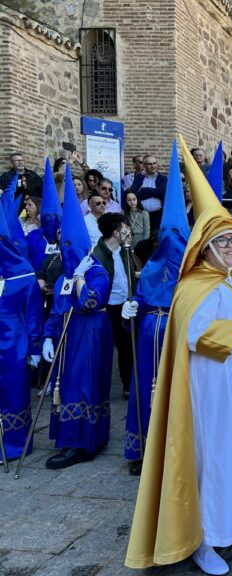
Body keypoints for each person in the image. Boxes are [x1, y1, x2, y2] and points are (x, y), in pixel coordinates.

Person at [125, 140, 232, 575]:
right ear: (206, 246)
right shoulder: (195, 286)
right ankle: (207, 538)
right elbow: (196, 334)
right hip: (212, 391)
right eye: (223, 240)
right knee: (216, 459)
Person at [120, 142, 190, 475]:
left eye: (179, 235)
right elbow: (143, 299)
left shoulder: (194, 271)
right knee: (145, 387)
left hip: (179, 335)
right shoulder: (149, 268)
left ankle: (175, 449)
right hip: (149, 336)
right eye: (168, 233)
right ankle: (144, 446)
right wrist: (131, 310)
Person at [42, 173, 113, 470]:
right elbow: (58, 308)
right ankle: (69, 437)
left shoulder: (97, 272)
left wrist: (82, 277)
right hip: (66, 336)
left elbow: (90, 303)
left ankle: (84, 442)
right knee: (67, 384)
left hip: (90, 334)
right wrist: (47, 336)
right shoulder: (63, 276)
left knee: (84, 385)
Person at [0, 197, 43, 461]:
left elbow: (34, 314)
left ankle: (15, 444)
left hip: (13, 344)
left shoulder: (24, 275)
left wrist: (35, 346)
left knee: (14, 392)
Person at [92, 213, 141, 399]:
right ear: (115, 232)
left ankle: (128, 385)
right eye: (124, 228)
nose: (128, 231)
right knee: (105, 348)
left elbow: (125, 274)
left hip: (125, 303)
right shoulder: (97, 254)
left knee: (127, 346)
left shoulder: (124, 250)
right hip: (107, 307)